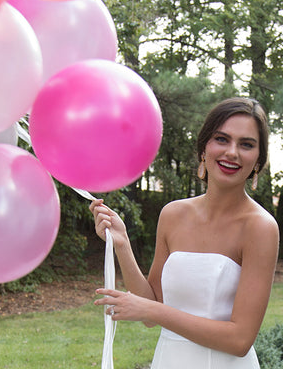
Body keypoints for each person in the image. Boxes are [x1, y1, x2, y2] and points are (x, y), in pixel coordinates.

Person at [90, 97, 280, 369]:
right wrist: (122, 244)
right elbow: (150, 311)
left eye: (246, 144)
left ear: (258, 160)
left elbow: (240, 340)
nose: (232, 152)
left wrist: (152, 310)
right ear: (204, 148)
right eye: (222, 139)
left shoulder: (260, 227)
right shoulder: (173, 215)